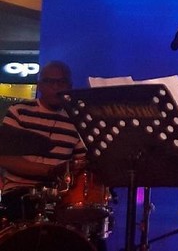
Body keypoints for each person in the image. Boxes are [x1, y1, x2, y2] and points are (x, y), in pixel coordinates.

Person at [0, 61, 107, 250]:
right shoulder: (19, 111)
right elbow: (5, 158)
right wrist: (51, 170)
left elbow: (81, 163)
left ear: (70, 87)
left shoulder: (76, 119)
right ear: (40, 85)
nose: (56, 87)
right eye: (50, 82)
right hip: (19, 194)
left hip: (59, 197)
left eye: (61, 82)